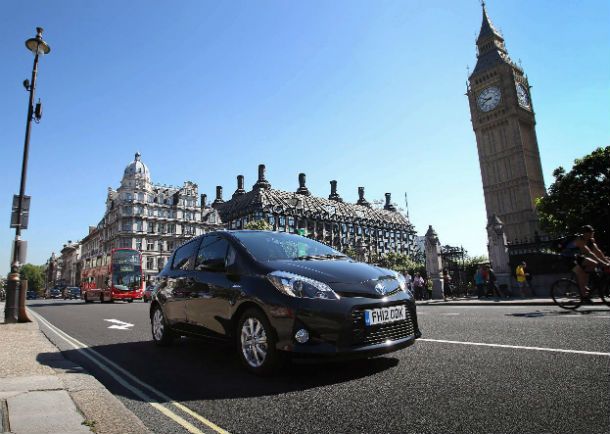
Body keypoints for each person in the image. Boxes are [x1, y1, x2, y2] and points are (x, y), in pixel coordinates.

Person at [571, 225, 610, 300]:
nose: (592, 234)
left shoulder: (590, 240)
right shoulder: (580, 240)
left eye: (592, 233)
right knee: (585, 272)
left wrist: (607, 260)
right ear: (585, 233)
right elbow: (590, 253)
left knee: (589, 270)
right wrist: (603, 262)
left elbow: (598, 252)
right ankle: (583, 295)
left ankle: (588, 287)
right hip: (572, 258)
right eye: (591, 233)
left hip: (583, 259)